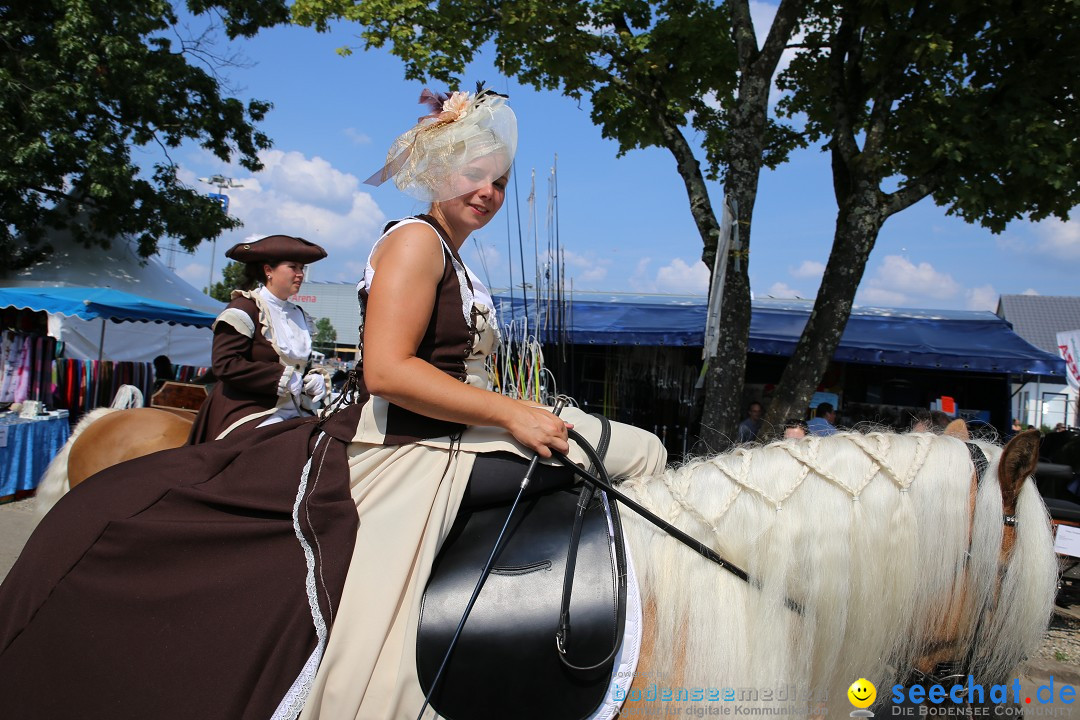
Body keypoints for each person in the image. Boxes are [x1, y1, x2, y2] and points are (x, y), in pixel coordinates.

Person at [0, 87, 667, 720]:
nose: (488, 192)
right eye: (473, 175)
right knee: (641, 449)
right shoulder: (412, 242)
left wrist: (513, 401)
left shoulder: (457, 262)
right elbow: (385, 370)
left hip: (446, 424)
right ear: (438, 174)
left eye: (498, 180)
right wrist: (510, 413)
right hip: (408, 438)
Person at [187, 234, 329, 444]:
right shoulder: (245, 308)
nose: (300, 274)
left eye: (302, 268)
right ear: (268, 270)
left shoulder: (298, 314)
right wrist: (281, 377)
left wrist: (312, 378)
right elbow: (225, 364)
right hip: (249, 411)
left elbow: (295, 367)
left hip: (294, 410)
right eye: (293, 267)